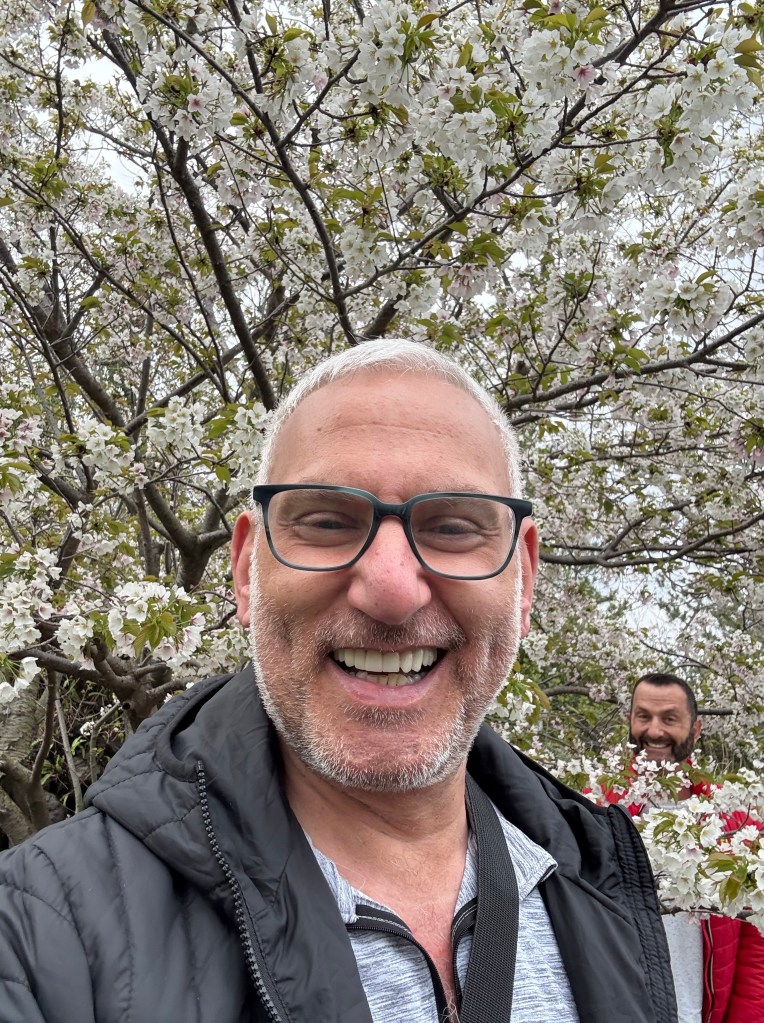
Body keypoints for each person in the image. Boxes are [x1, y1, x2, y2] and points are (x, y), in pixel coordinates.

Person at [0, 340, 677, 1023]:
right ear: (246, 568)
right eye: (326, 522)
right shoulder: (37, 935)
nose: (391, 590)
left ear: (523, 579)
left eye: (451, 527)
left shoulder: (604, 887)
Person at [622, 673, 764, 1023]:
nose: (654, 731)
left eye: (670, 718)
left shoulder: (736, 825)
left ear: (696, 730)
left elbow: (755, 951)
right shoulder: (598, 810)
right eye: (643, 716)